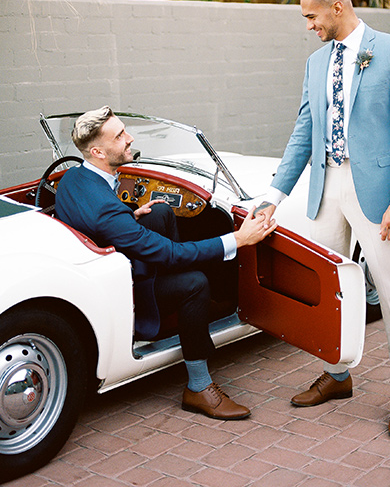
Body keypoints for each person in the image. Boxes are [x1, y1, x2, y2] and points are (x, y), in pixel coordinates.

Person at [256, 0, 390, 438]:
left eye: (311, 16)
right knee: (328, 291)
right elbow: (303, 133)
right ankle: (337, 375)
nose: (308, 25)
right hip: (325, 187)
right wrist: (273, 197)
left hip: (379, 193)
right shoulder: (315, 63)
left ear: (337, 7)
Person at [55, 106, 276, 421]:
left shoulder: (75, 175)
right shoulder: (107, 210)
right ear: (99, 151)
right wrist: (239, 239)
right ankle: (198, 386)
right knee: (194, 283)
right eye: (119, 136)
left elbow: (97, 220)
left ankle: (192, 313)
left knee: (159, 212)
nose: (130, 138)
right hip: (123, 290)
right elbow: (170, 253)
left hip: (101, 261)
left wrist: (130, 218)